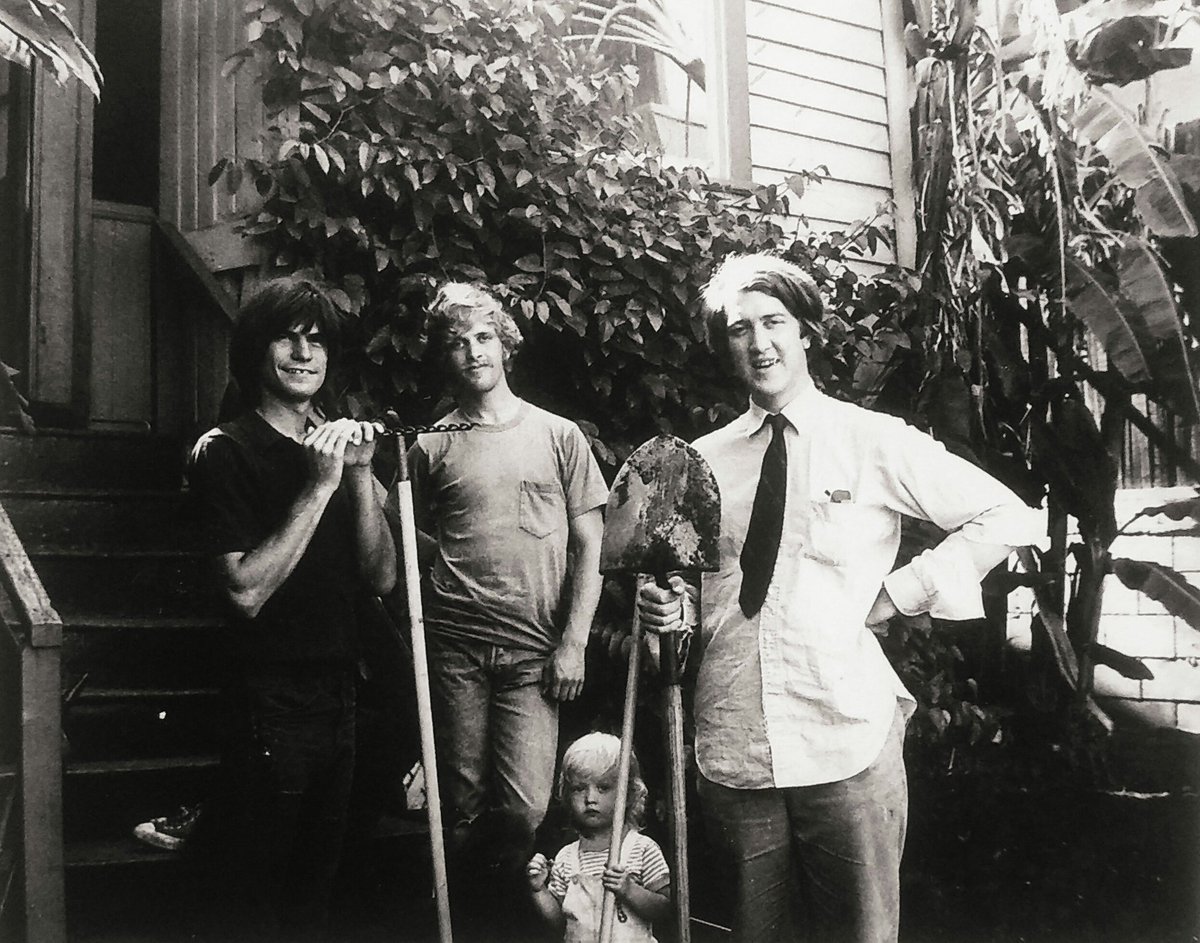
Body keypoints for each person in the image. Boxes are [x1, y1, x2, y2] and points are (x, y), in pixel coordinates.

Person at [637, 253, 1043, 943]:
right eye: (739, 329)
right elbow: (692, 598)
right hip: (736, 743)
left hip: (844, 735)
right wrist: (668, 614)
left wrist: (898, 592)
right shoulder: (699, 461)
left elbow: (1007, 515)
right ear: (724, 345)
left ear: (805, 331)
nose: (759, 342)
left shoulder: (869, 440)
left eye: (774, 322)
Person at [187, 275, 397, 940]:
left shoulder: (337, 451)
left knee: (316, 890)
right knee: (257, 892)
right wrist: (318, 487)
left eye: (317, 341)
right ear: (256, 351)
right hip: (267, 701)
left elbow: (382, 576)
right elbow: (244, 592)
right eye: (287, 338)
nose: (304, 353)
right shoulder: (225, 450)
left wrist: (358, 475)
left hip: (340, 694)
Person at [409, 281, 608, 938]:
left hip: (534, 652)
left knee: (525, 809)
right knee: (463, 807)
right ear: (444, 356)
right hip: (455, 647)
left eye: (484, 336)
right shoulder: (430, 444)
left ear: (505, 344)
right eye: (457, 342)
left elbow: (590, 543)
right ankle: (474, 926)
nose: (473, 351)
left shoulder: (558, 435)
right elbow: (403, 537)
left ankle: (507, 919)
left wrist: (574, 641)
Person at [527, 732, 671, 942]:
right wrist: (539, 890)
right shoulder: (566, 858)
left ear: (628, 794)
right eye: (579, 789)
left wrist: (629, 890)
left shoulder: (641, 849)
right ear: (566, 795)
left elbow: (666, 910)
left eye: (603, 788)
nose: (590, 798)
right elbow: (560, 924)